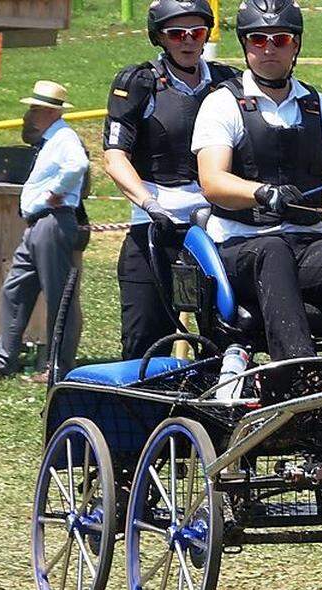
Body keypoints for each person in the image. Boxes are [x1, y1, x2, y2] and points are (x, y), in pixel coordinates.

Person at [192, 0, 322, 361]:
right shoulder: (222, 104)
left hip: (307, 244)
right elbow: (213, 182)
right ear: (245, 44)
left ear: (295, 45)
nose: (268, 48)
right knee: (273, 250)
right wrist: (263, 193)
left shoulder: (321, 106)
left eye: (280, 40)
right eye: (258, 39)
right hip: (241, 246)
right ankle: (295, 368)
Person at [103, 0, 241, 360]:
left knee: (227, 336)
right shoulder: (139, 82)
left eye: (197, 32)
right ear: (159, 37)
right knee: (144, 340)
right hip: (156, 225)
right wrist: (149, 205)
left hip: (215, 226)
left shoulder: (229, 83)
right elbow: (115, 156)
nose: (188, 41)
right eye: (176, 33)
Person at [0, 81, 88, 381]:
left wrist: (56, 192)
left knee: (59, 297)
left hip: (53, 220)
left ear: (50, 111)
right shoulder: (53, 140)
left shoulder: (64, 138)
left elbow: (78, 165)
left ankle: (57, 366)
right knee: (14, 289)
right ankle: (4, 360)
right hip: (38, 224)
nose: (29, 115)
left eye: (35, 109)